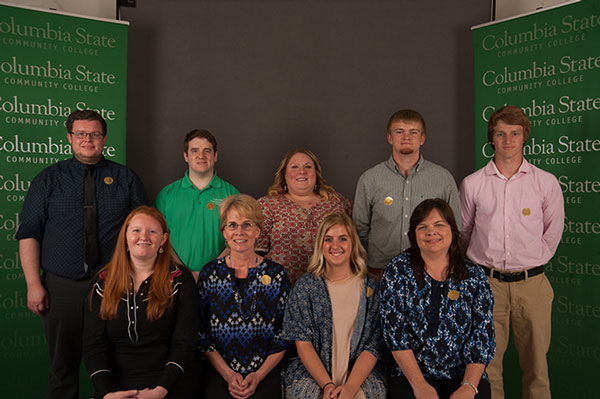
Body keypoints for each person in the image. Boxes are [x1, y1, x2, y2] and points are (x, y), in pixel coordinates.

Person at [16, 109, 148, 398]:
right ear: (69, 138)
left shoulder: (125, 178)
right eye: (81, 134)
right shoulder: (47, 179)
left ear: (104, 138)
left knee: (119, 364)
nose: (88, 139)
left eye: (95, 134)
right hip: (62, 288)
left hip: (114, 285)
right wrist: (33, 284)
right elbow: (28, 233)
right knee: (62, 369)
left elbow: (145, 228)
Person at [459, 105, 564, 399]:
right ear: (491, 138)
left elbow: (552, 233)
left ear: (524, 137)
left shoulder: (546, 182)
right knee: (487, 368)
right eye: (501, 133)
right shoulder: (473, 184)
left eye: (515, 133)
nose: (508, 140)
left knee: (536, 367)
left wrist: (530, 260)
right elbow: (464, 233)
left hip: (533, 286)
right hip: (486, 284)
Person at [380, 198, 495, 399]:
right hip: (412, 372)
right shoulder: (398, 270)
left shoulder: (474, 275)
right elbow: (395, 333)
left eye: (439, 225)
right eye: (422, 227)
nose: (431, 232)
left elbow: (482, 336)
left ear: (453, 230)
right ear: (414, 235)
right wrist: (419, 385)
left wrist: (468, 386)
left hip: (462, 373)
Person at [83, 206, 199, 399]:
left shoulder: (180, 279)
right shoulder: (102, 281)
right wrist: (106, 394)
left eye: (152, 231)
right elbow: (94, 345)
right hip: (115, 386)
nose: (143, 237)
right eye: (136, 230)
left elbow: (185, 343)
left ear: (163, 239)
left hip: (170, 383)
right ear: (125, 237)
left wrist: (161, 390)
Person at [282, 213, 386, 399]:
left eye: (343, 239)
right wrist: (327, 384)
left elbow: (374, 346)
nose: (335, 246)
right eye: (328, 239)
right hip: (314, 373)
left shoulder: (372, 288)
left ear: (353, 243)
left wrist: (350, 388)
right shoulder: (306, 286)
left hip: (360, 373)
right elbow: (303, 343)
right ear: (320, 245)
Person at [198, 194, 290, 399]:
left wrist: (258, 375)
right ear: (224, 232)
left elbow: (284, 333)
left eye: (247, 224)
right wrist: (229, 375)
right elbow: (202, 333)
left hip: (266, 371)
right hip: (219, 371)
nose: (239, 231)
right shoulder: (210, 274)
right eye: (232, 225)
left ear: (258, 231)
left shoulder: (277, 274)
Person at [353, 109, 461, 278]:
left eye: (413, 132)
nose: (406, 137)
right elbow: (360, 231)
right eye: (399, 132)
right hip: (380, 274)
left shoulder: (443, 179)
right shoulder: (369, 180)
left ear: (422, 138)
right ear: (390, 137)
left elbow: (455, 229)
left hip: (430, 275)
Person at [257, 148, 352, 284]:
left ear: (316, 173)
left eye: (308, 166)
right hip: (282, 288)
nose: (302, 171)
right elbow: (251, 252)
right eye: (294, 167)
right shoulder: (267, 205)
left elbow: (360, 230)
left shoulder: (337, 202)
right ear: (284, 174)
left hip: (331, 286)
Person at [156, 129, 239, 279]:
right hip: (175, 276)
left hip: (221, 276)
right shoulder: (166, 195)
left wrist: (212, 269)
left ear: (215, 156)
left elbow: (238, 237)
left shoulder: (232, 194)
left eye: (207, 151)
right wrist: (183, 272)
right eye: (195, 150)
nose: (201, 156)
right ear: (186, 156)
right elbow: (158, 237)